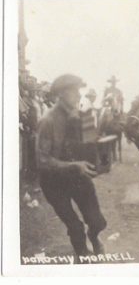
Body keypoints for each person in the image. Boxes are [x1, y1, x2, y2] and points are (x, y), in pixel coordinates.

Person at [36, 74, 107, 260]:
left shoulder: (82, 116)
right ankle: (83, 256)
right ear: (60, 94)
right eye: (73, 91)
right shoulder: (48, 120)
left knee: (97, 221)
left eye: (78, 90)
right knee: (75, 227)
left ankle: (94, 235)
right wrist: (74, 165)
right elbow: (42, 160)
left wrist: (99, 156)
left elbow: (89, 146)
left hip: (77, 176)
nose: (78, 95)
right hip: (53, 182)